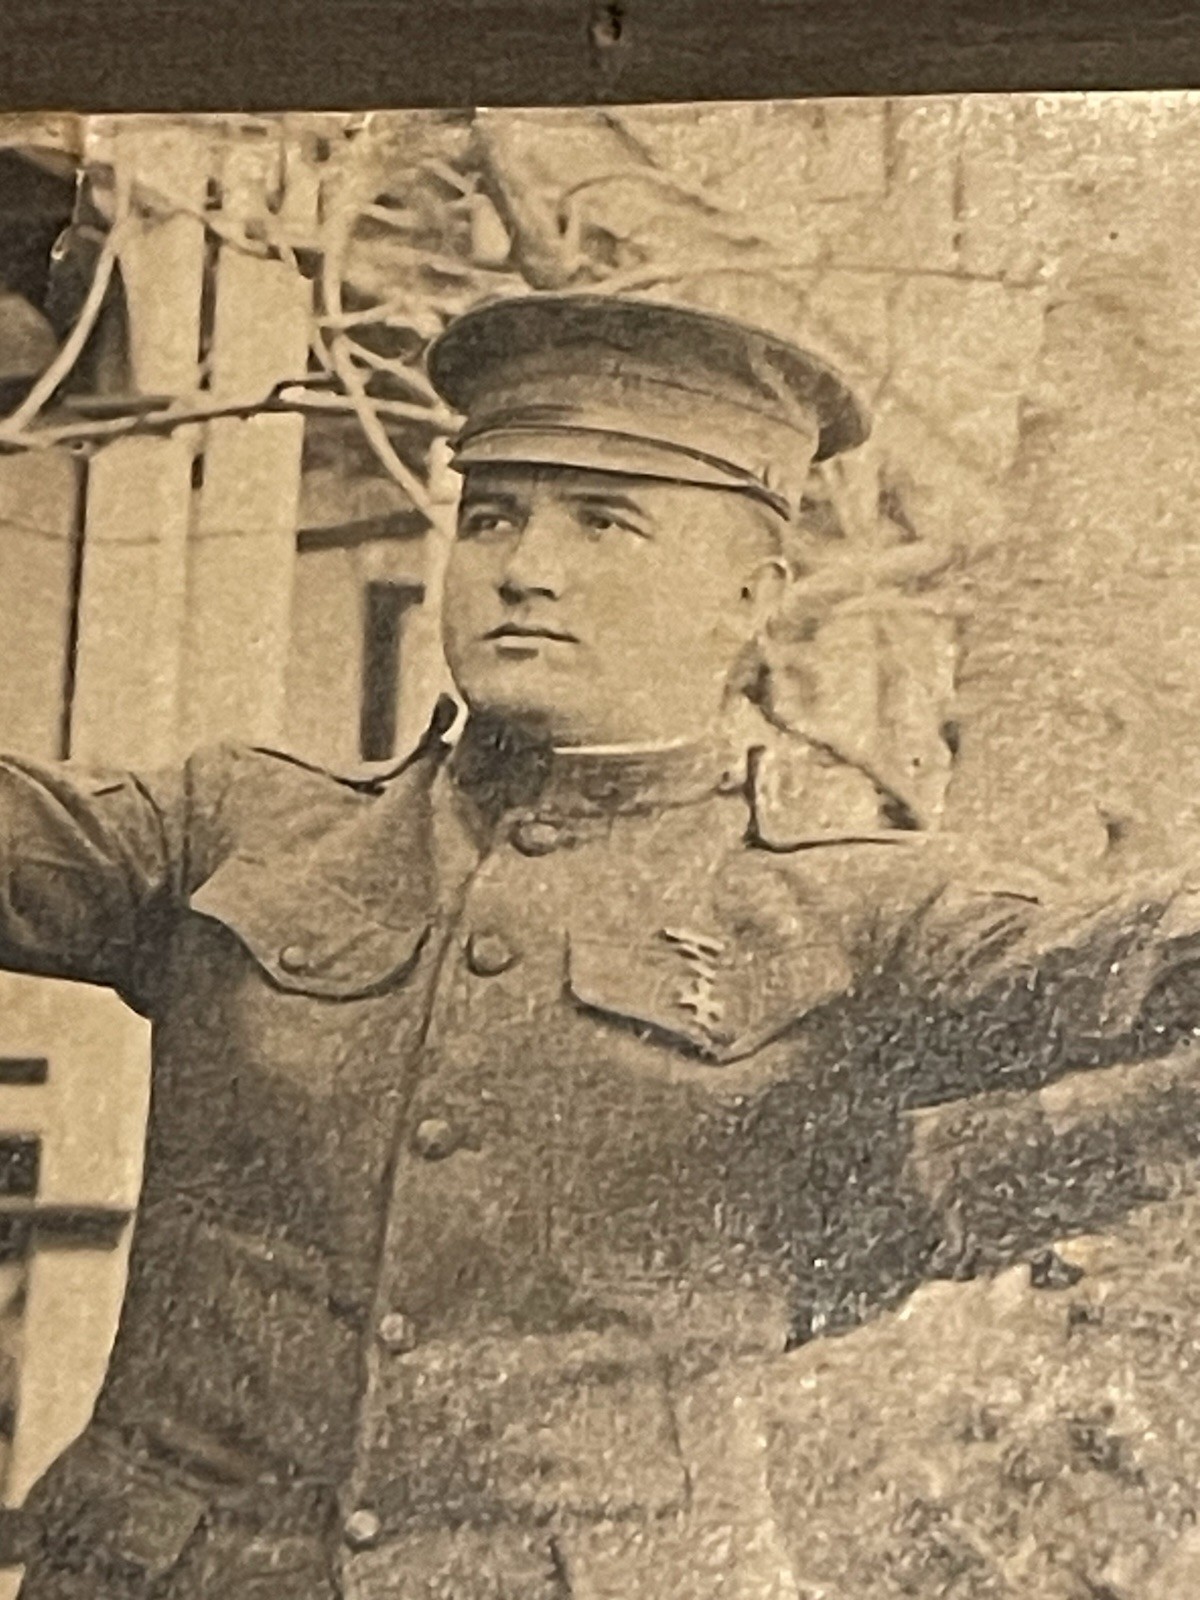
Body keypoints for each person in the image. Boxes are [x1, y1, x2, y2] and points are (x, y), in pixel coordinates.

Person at [9, 291, 1200, 1600]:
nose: (525, 566)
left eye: (603, 522)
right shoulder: (237, 830)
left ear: (748, 595)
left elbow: (1129, 961)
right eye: (491, 516)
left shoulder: (857, 908)